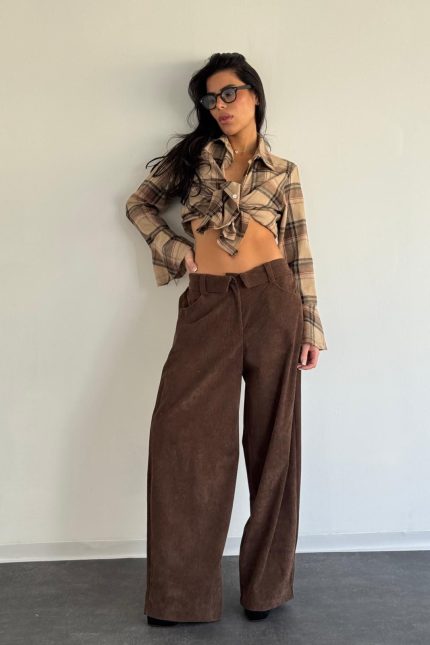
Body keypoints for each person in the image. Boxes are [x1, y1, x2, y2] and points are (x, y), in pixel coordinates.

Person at [125, 52, 327, 627]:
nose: (220, 105)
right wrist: (176, 251)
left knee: (274, 447)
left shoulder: (283, 170)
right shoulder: (191, 162)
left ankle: (265, 590)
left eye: (230, 93)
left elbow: (299, 250)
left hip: (272, 301)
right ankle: (180, 597)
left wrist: (310, 323)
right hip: (208, 304)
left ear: (254, 94)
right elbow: (138, 205)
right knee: (184, 442)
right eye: (210, 98)